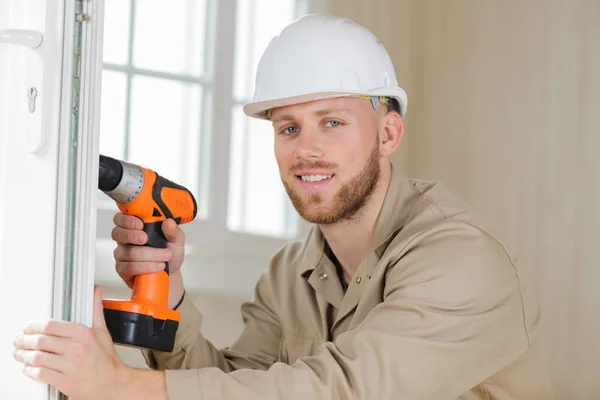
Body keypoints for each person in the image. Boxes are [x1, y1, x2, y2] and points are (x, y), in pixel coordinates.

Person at [13, 14, 554, 399]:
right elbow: (237, 381)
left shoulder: (462, 260)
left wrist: (123, 389)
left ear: (388, 134)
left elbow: (349, 391)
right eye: (288, 127)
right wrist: (170, 297)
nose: (306, 149)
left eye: (332, 122)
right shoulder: (291, 273)